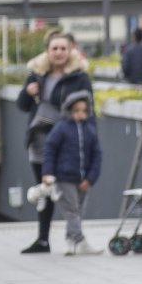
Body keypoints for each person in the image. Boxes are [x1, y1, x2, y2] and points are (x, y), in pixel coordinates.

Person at [18, 32, 94, 255]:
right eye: (55, 48)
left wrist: (90, 138)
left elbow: (88, 108)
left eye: (63, 48)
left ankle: (74, 237)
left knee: (70, 191)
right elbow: (22, 106)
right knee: (45, 188)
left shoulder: (79, 76)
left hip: (67, 141)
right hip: (40, 139)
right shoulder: (37, 74)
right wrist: (27, 92)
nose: (59, 53)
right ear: (47, 51)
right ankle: (43, 239)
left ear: (70, 50)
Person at [41, 92, 103, 256]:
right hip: (64, 177)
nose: (80, 114)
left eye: (83, 110)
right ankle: (80, 240)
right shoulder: (61, 128)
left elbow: (97, 155)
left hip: (83, 178)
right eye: (76, 110)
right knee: (72, 210)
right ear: (68, 110)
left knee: (78, 210)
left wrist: (90, 178)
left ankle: (70, 241)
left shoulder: (90, 129)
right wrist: (47, 172)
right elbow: (49, 149)